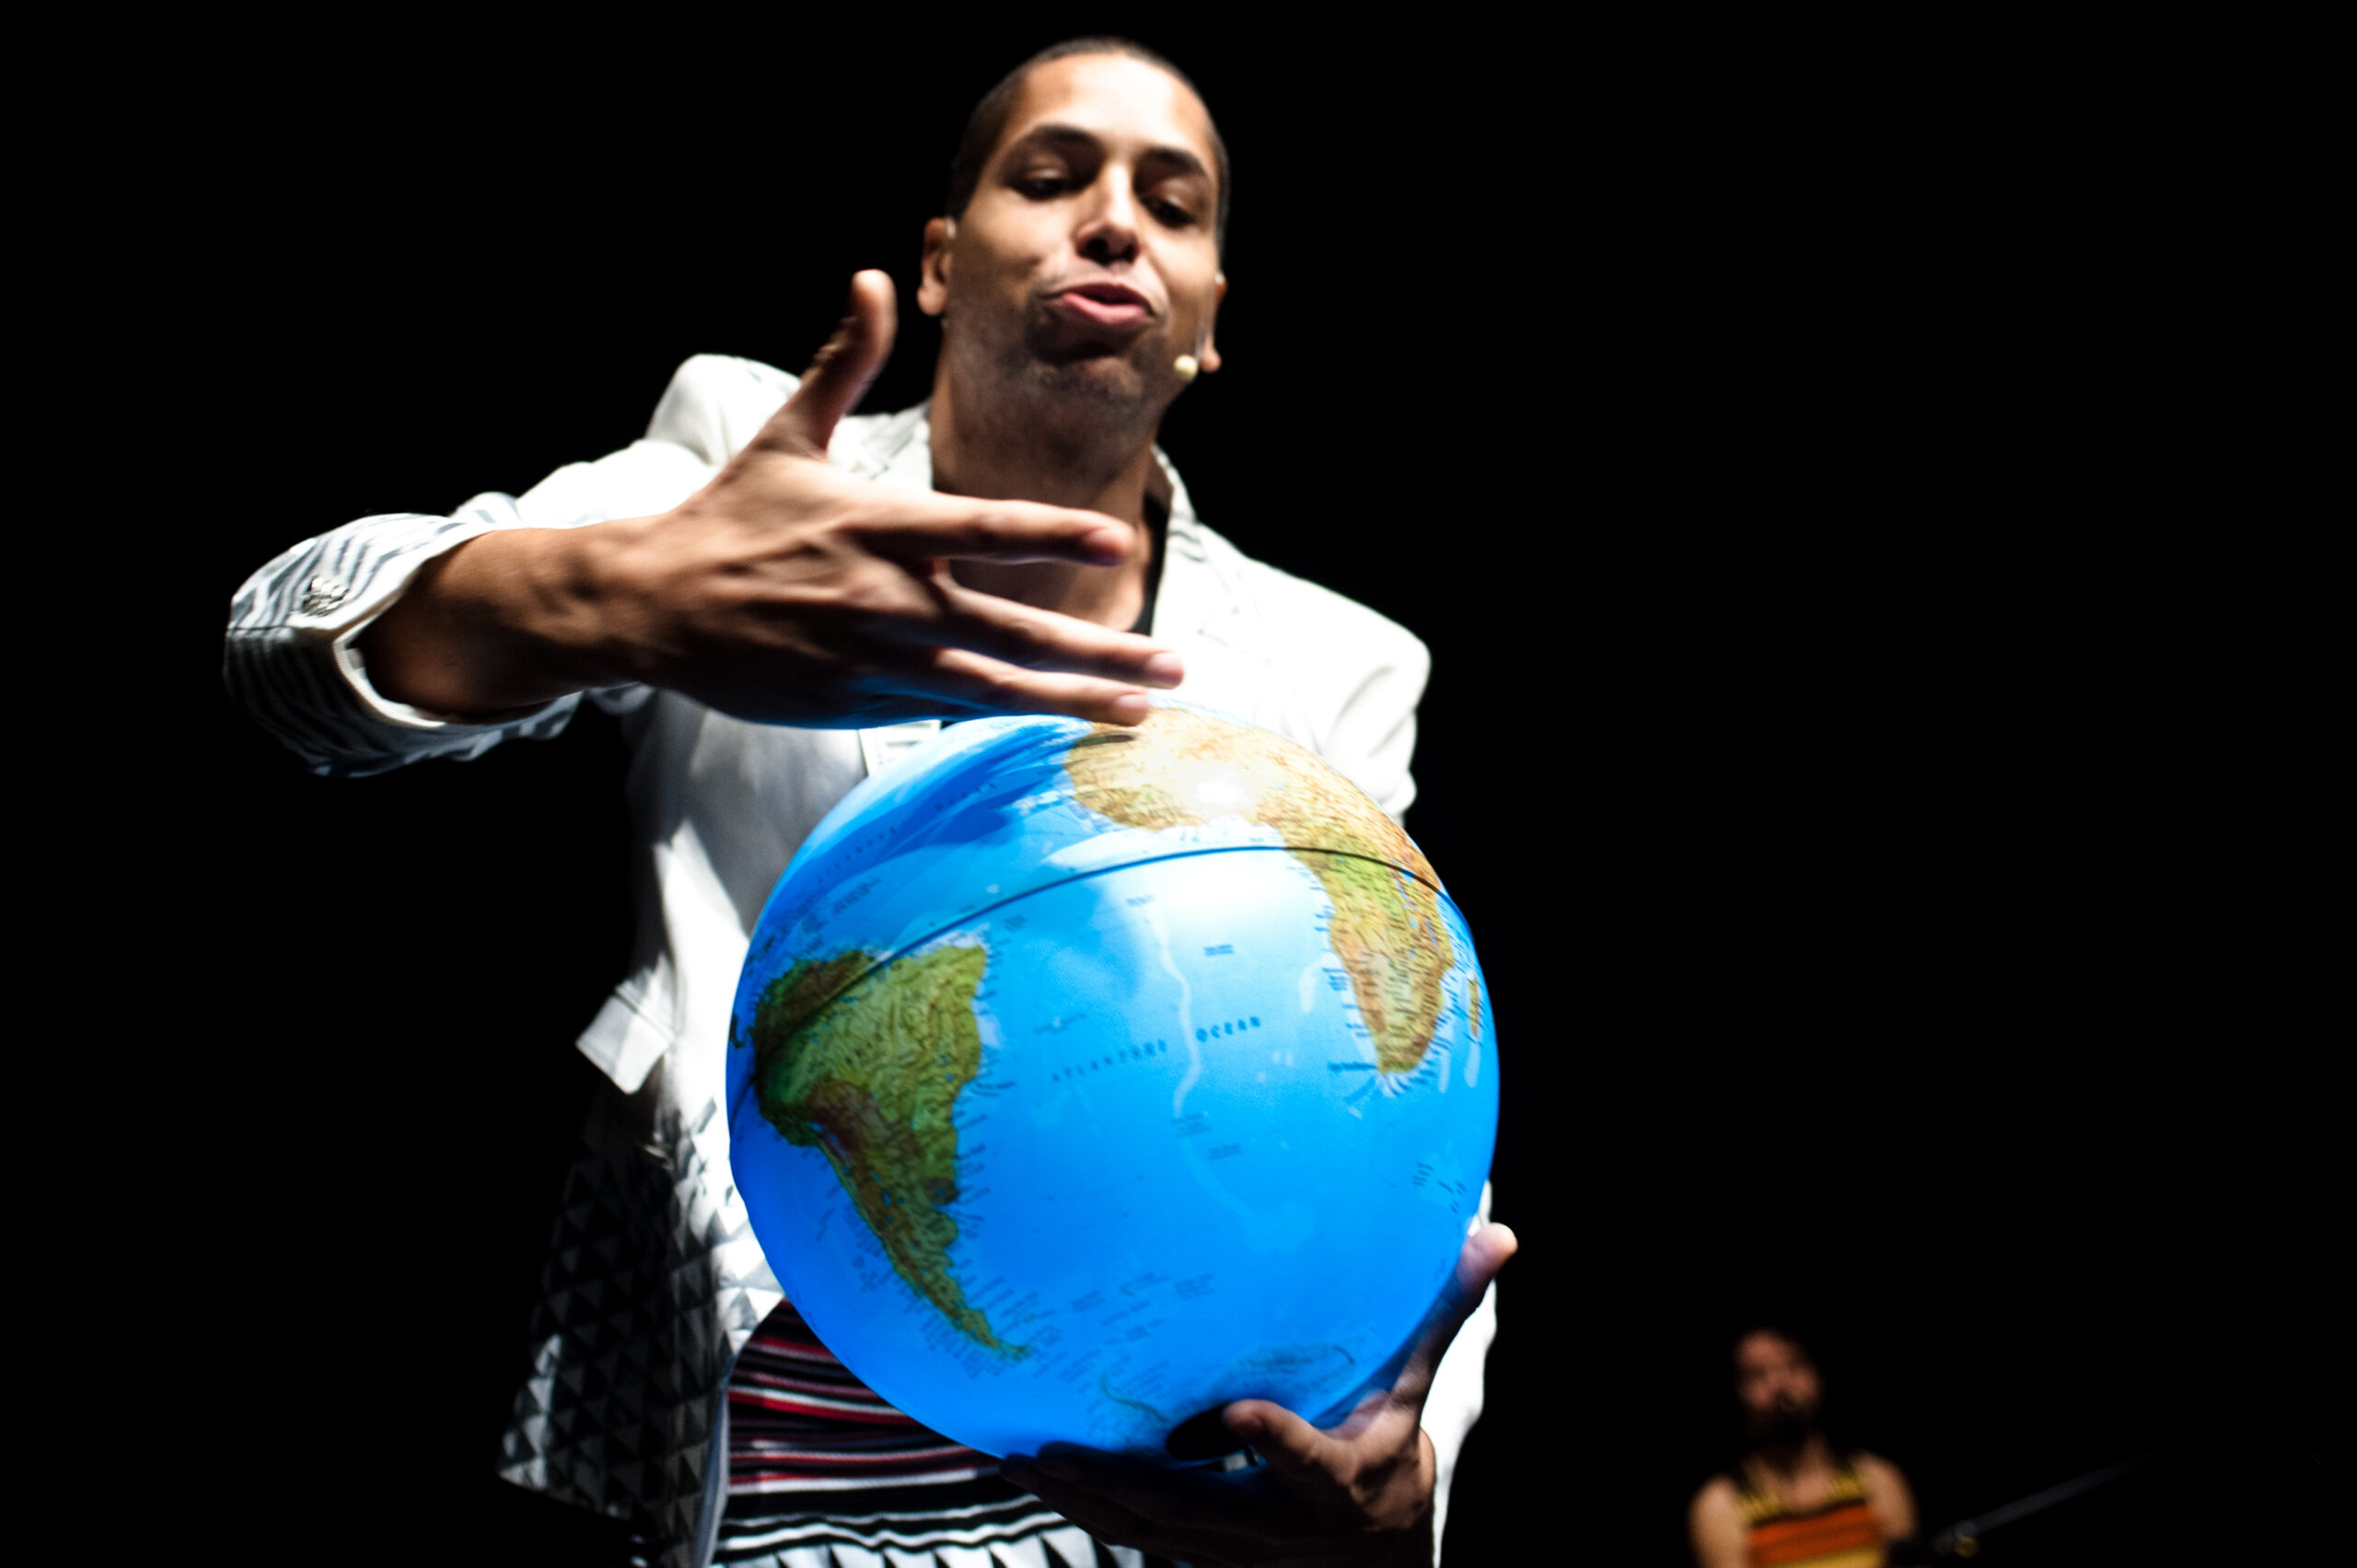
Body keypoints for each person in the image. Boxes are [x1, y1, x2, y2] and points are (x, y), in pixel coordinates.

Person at [225, 37, 1514, 1568]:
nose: (1114, 220)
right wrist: (618, 593)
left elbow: (1403, 1096)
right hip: (744, 1477)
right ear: (944, 262)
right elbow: (280, 653)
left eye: (1173, 205)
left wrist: (1406, 1476)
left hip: (1140, 1488)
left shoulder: (1337, 663)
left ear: (1210, 318)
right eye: (1053, 176)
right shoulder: (751, 472)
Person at [1688, 1328, 1918, 1568]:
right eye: (1757, 1375)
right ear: (1738, 1392)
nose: (1779, 1385)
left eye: (1794, 1365)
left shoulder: (1879, 1480)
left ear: (1818, 1374)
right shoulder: (1720, 1505)